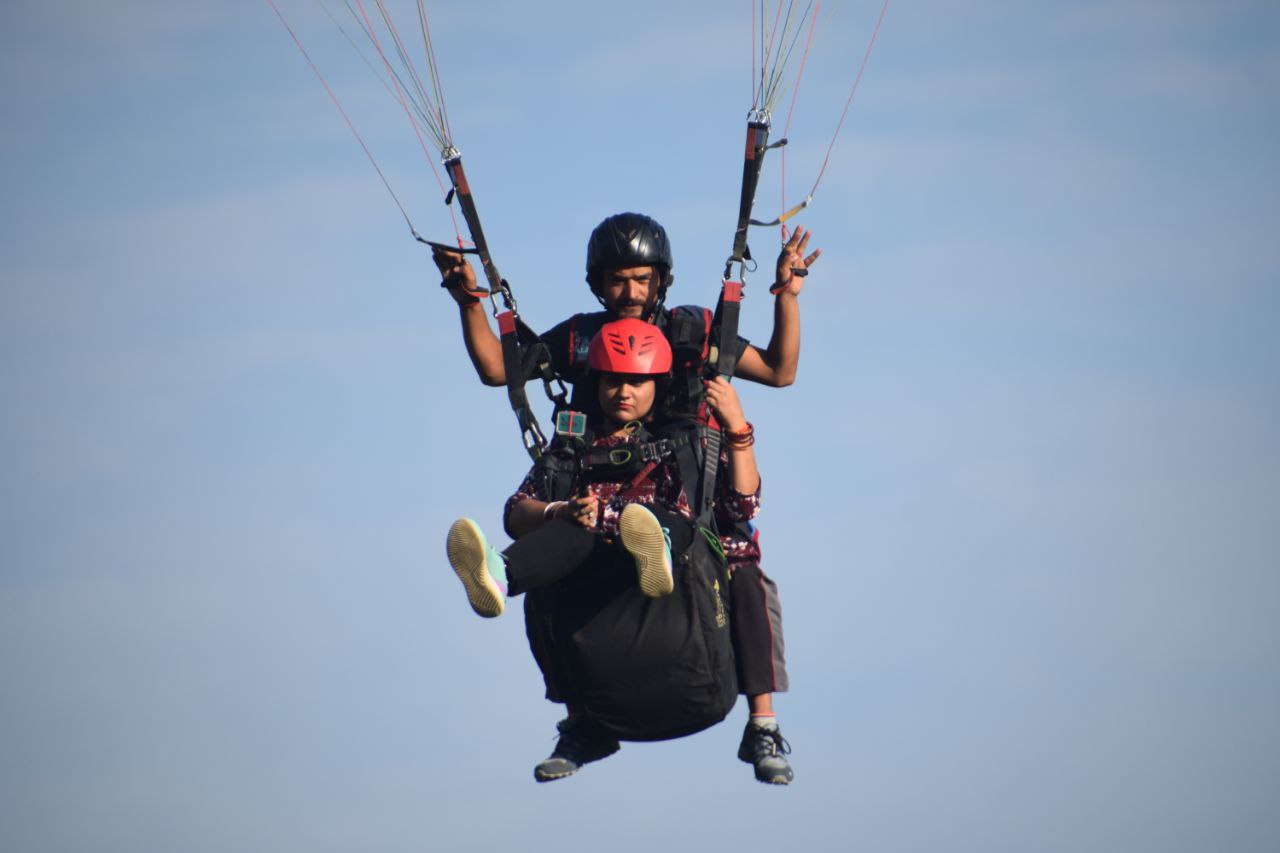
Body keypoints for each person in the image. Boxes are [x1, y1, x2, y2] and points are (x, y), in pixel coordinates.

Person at [434, 213, 816, 784]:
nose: (631, 293)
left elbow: (781, 371)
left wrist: (786, 296)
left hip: (686, 490)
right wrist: (468, 301)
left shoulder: (694, 331)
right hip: (600, 484)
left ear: (660, 279)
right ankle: (576, 710)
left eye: (641, 279)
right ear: (597, 284)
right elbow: (499, 369)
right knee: (555, 565)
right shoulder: (581, 338)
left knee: (742, 561)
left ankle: (762, 723)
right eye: (617, 281)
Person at [446, 318, 762, 781]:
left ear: (657, 385)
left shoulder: (683, 441)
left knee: (666, 520)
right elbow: (517, 509)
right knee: (570, 529)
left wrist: (736, 427)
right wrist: (559, 510)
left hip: (673, 558)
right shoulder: (574, 447)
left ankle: (654, 545)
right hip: (597, 560)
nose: (624, 392)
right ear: (598, 384)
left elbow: (743, 503)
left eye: (637, 382)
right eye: (614, 381)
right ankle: (499, 575)